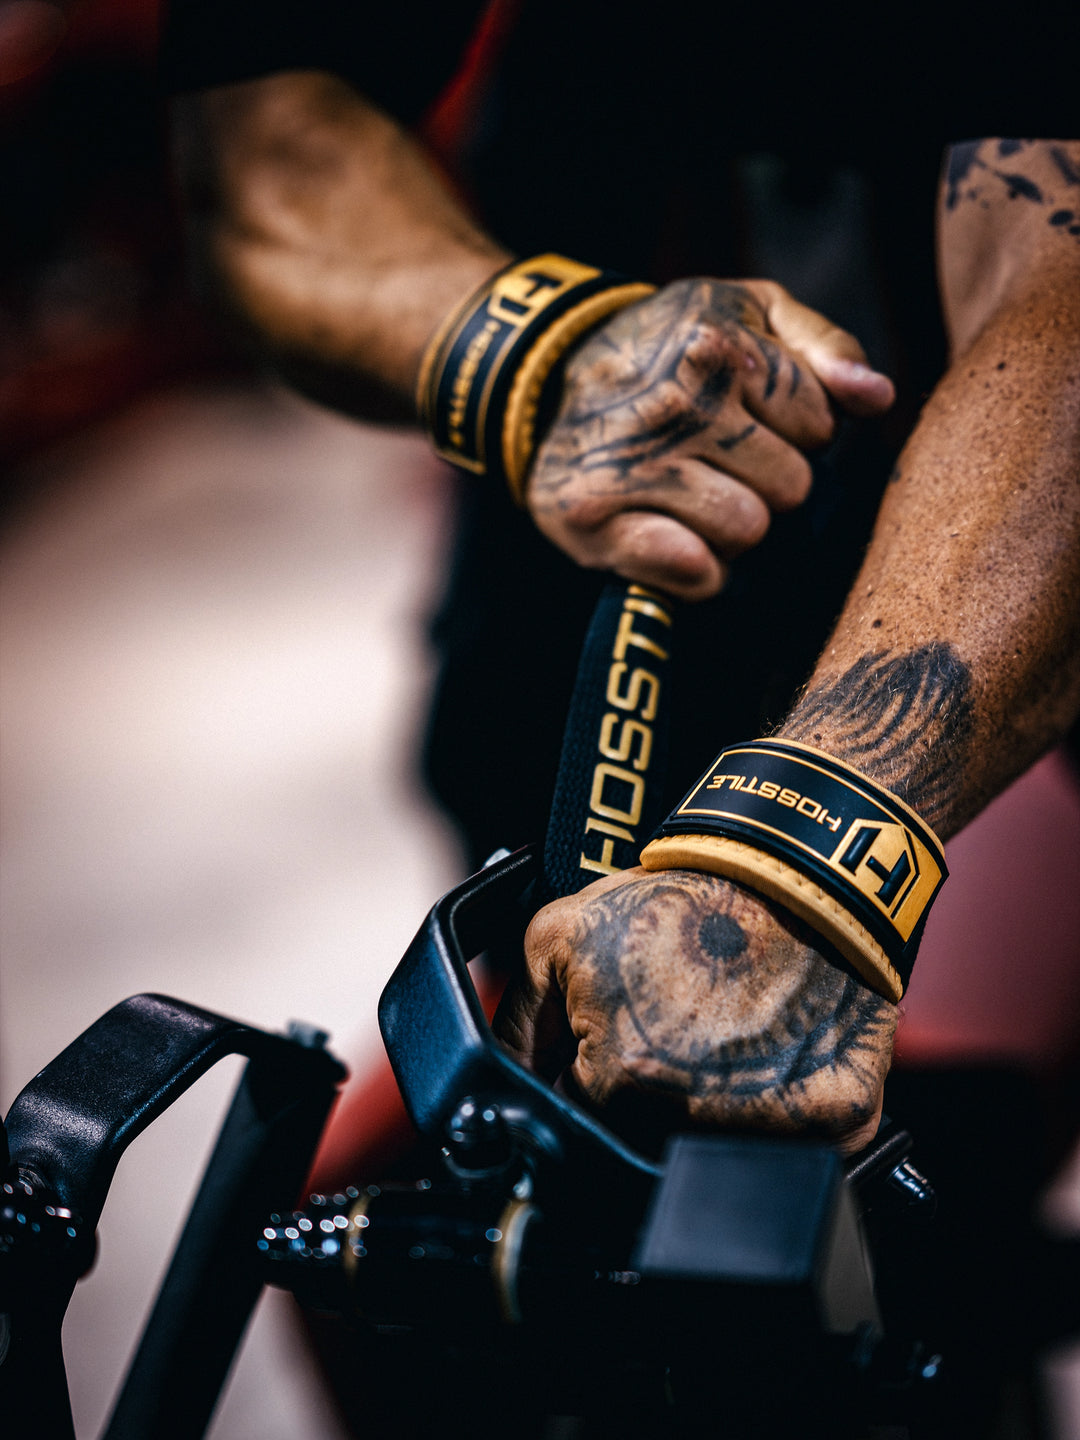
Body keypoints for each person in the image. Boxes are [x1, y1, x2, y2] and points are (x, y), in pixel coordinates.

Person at [160, 0, 1079, 1166]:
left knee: (926, 1123)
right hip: (618, 287)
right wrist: (544, 359)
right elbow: (262, 145)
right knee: (560, 1087)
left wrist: (805, 858)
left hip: (1014, 409)